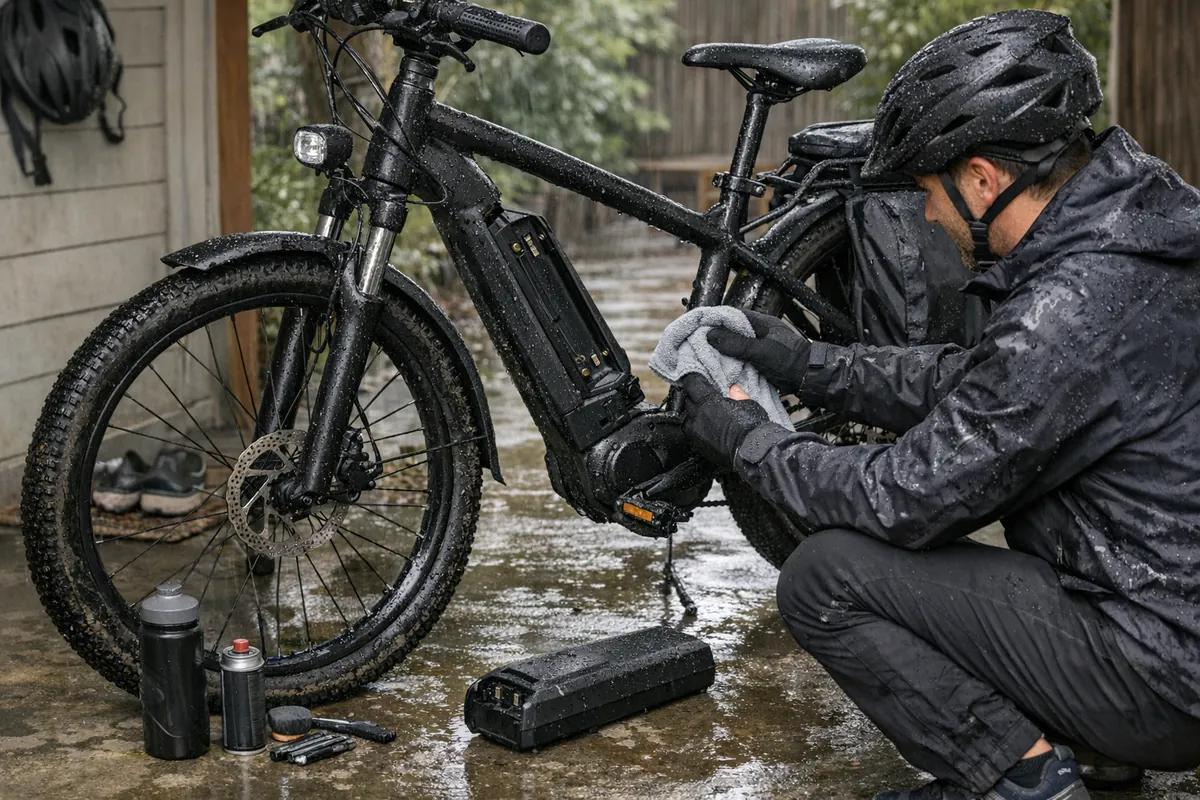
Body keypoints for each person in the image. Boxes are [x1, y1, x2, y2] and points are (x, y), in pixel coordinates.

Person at [679, 9, 1200, 800]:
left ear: (984, 178)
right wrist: (809, 362)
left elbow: (902, 498)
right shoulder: (1143, 226)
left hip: (1167, 676)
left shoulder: (1074, 304)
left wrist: (746, 438)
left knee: (826, 579)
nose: (927, 214)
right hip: (1177, 615)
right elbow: (983, 381)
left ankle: (1020, 778)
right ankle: (1095, 748)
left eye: (930, 190)